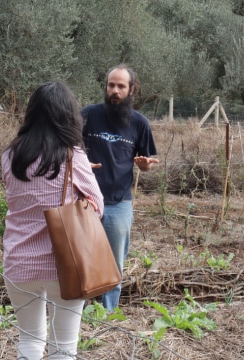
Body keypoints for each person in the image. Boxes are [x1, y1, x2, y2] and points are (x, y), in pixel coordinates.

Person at [2, 81, 104, 360]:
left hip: (19, 263)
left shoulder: (9, 157)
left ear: (32, 113)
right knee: (63, 349)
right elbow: (97, 208)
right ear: (69, 116)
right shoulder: (73, 156)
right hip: (64, 266)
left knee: (29, 344)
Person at [81, 64, 159, 312]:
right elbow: (69, 149)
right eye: (111, 85)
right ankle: (77, 312)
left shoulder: (139, 124)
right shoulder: (87, 116)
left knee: (114, 264)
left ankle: (107, 314)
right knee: (81, 260)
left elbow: (147, 164)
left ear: (131, 89)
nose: (114, 90)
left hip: (118, 204)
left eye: (120, 86)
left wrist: (144, 166)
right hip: (84, 202)